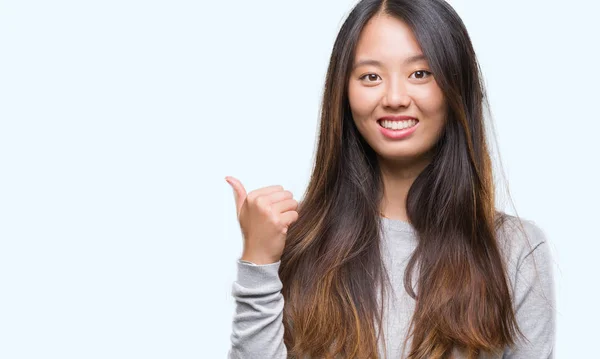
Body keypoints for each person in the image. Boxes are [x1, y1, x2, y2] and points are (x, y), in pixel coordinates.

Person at [225, 0, 556, 358]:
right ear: (344, 93)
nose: (395, 98)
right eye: (371, 76)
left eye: (420, 73)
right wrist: (258, 262)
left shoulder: (514, 252)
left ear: (455, 85)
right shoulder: (296, 239)